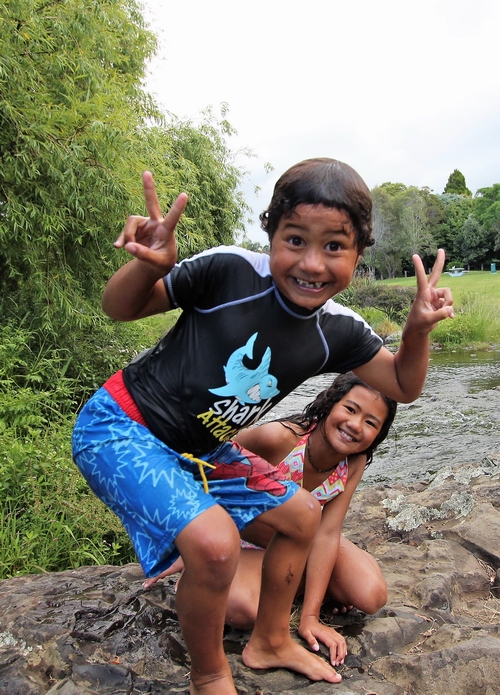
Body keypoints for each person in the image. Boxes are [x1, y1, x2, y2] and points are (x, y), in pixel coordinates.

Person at [72, 157, 453, 694]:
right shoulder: (230, 271)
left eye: (334, 247)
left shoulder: (339, 331)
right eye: (295, 240)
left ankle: (271, 639)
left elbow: (403, 386)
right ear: (271, 232)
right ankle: (209, 674)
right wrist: (150, 266)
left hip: (204, 449)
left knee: (301, 515)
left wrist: (416, 330)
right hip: (121, 427)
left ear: (359, 254)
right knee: (216, 544)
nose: (313, 264)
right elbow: (120, 308)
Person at [145, 373, 397, 669]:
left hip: (309, 543)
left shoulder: (352, 461)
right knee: (244, 611)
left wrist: (311, 617)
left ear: (378, 433)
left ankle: (304, 588)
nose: (355, 425)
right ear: (329, 403)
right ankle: (307, 585)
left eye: (371, 423)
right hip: (247, 540)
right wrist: (190, 546)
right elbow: (201, 470)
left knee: (371, 595)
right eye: (350, 409)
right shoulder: (278, 438)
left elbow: (328, 533)